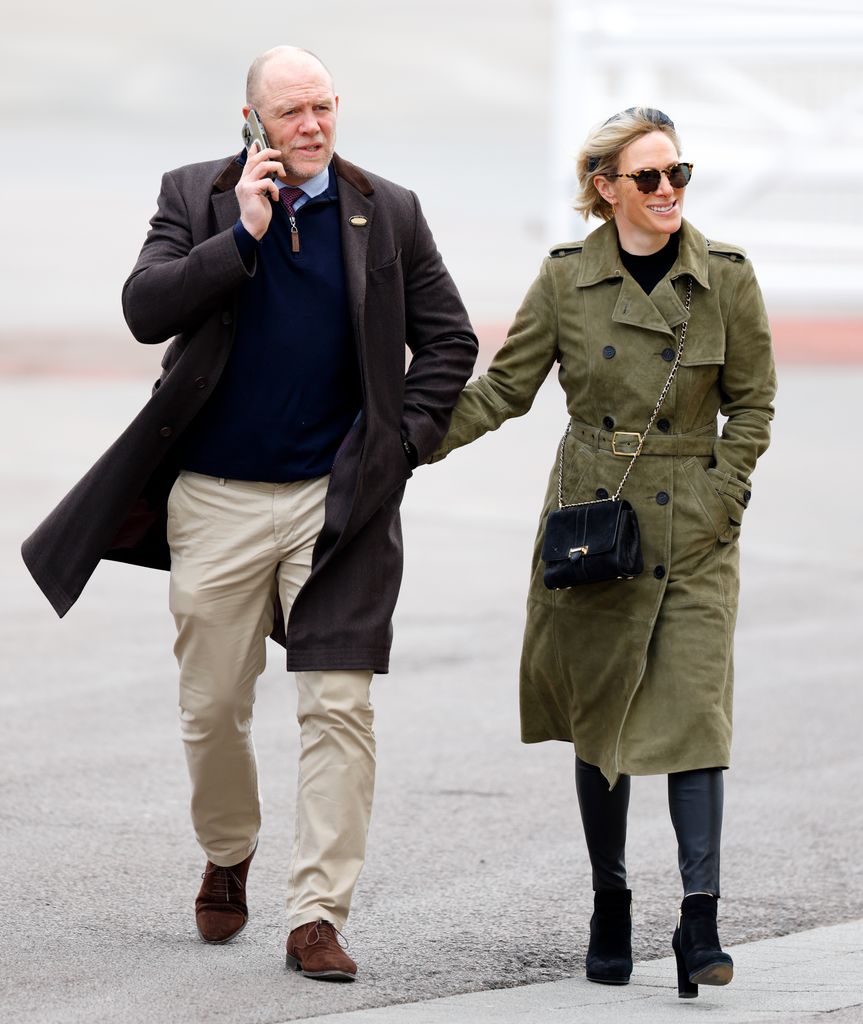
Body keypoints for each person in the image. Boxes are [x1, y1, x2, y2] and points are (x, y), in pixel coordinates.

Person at [22, 45, 477, 981]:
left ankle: (316, 915)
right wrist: (244, 236)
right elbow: (145, 309)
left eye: (323, 107)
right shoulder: (196, 194)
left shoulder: (386, 209)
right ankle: (229, 849)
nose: (311, 126)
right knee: (214, 705)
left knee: (339, 708)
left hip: (336, 503)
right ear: (251, 121)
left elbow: (449, 340)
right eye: (291, 112)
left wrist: (398, 447)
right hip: (216, 500)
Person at [430, 107, 776, 998]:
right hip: (596, 519)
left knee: (697, 716)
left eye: (679, 175)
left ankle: (700, 921)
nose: (670, 193)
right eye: (650, 178)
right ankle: (610, 901)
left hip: (695, 528)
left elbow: (755, 405)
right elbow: (504, 390)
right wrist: (402, 441)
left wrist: (722, 496)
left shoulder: (726, 278)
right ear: (605, 188)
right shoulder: (563, 282)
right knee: (601, 716)